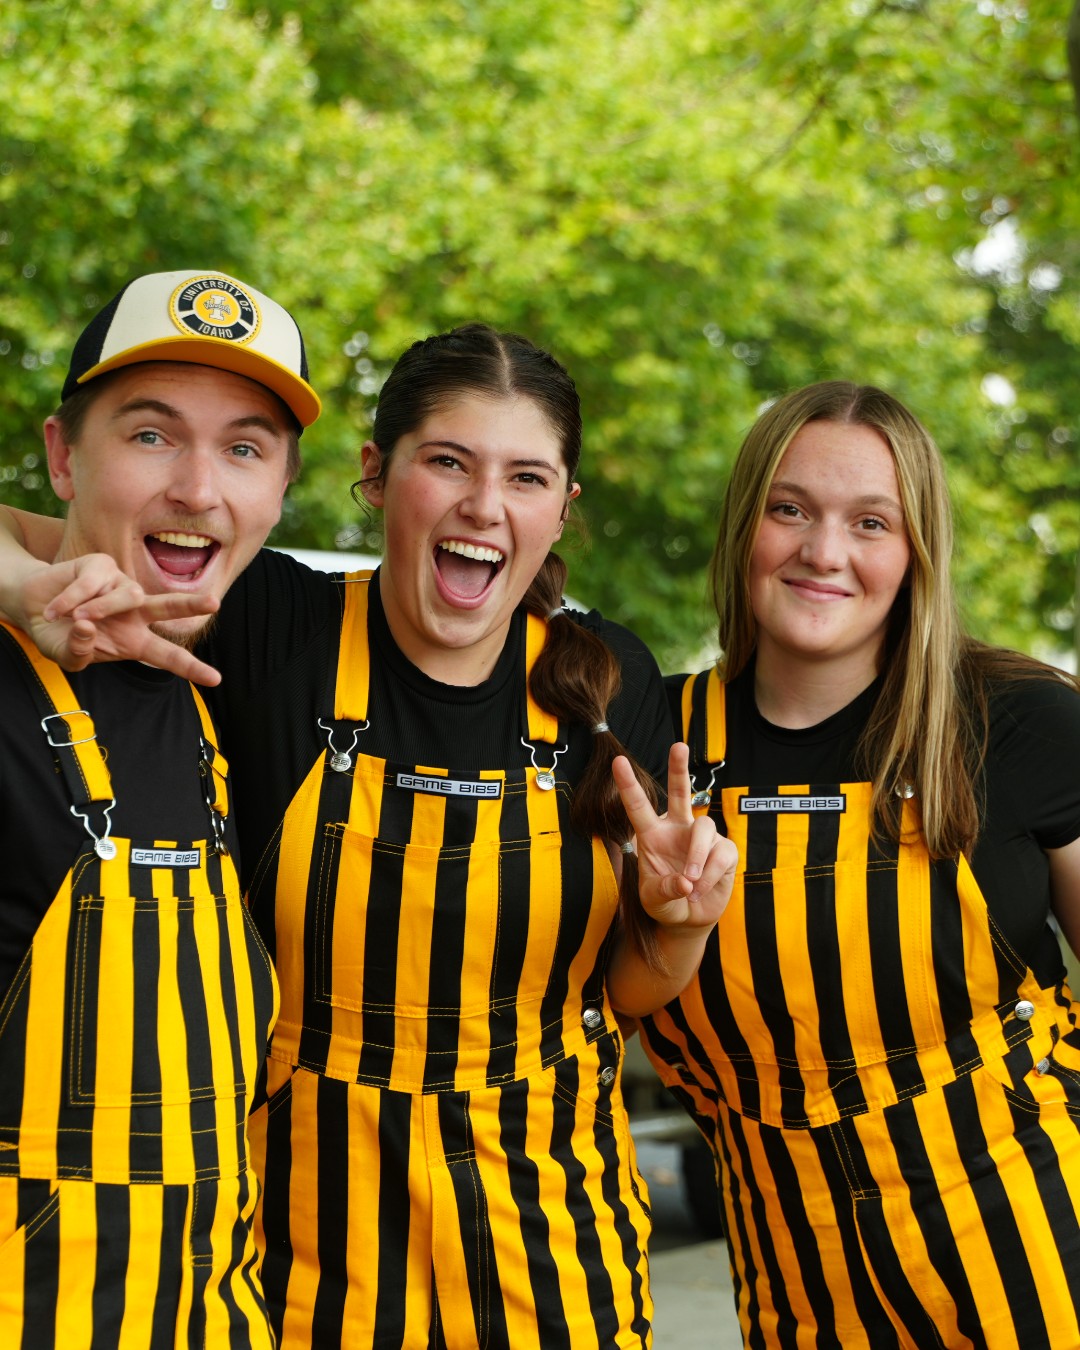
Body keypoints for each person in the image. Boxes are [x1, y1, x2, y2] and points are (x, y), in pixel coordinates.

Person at [2, 322, 738, 1349]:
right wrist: (21, 587)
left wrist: (677, 926)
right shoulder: (267, 623)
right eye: (448, 463)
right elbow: (64, 532)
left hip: (553, 1255)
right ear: (378, 473)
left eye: (526, 477)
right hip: (301, 1262)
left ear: (561, 506)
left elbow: (621, 992)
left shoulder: (606, 681)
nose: (484, 505)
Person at [639, 381, 1080, 1349]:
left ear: (917, 550)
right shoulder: (651, 743)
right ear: (742, 524)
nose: (824, 553)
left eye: (870, 522)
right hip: (790, 1280)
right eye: (788, 509)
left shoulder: (1019, 722)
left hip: (1031, 1251)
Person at [0, 267, 321, 1347]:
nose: (197, 488)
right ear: (60, 454)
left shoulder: (236, 687)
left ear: (280, 490)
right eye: (150, 435)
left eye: (244, 447)